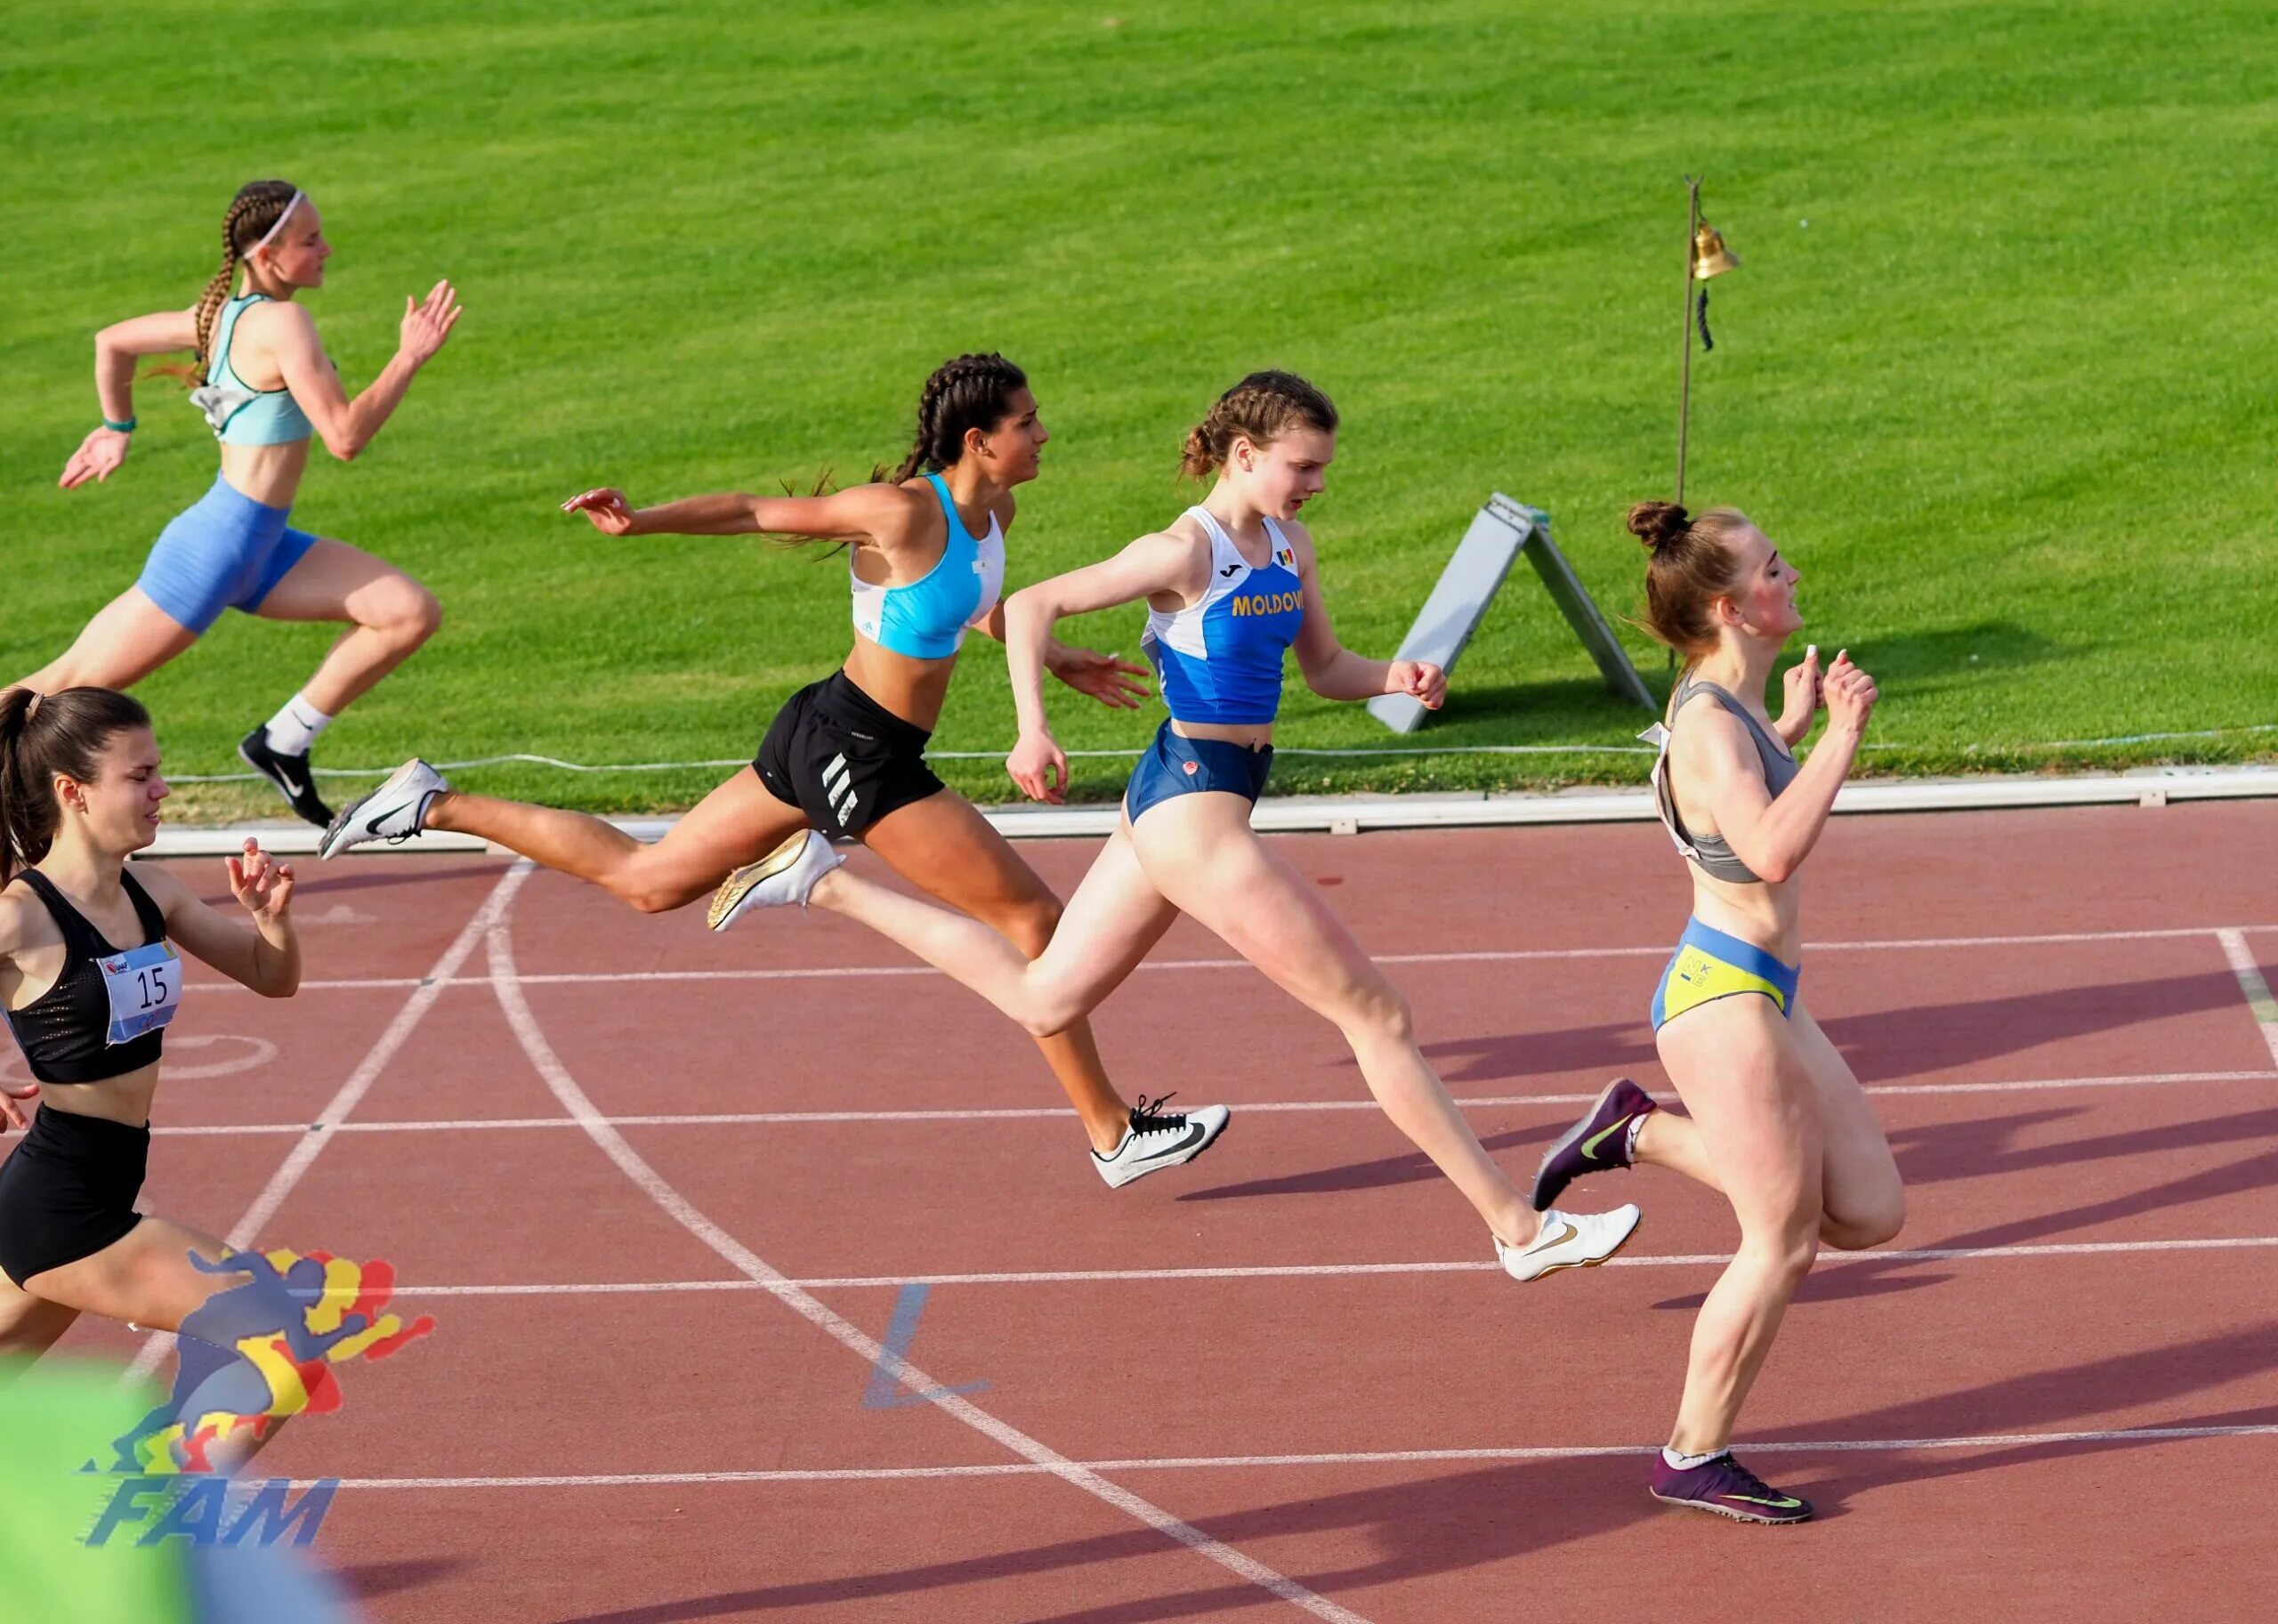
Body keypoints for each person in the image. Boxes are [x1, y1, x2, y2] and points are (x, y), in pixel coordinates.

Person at [710, 370, 1642, 1280]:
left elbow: (1322, 669)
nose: (1316, 485)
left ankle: (821, 880)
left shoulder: (1289, 548)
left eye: (1321, 469)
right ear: (1243, 454)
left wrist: (1393, 674)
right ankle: (1520, 1230)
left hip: (1174, 797)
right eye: (1301, 467)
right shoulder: (1183, 551)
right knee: (1379, 1015)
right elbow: (1034, 605)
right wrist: (1031, 731)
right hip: (1195, 812)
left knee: (1047, 1000)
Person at [320, 354, 1224, 1186]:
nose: (1044, 434)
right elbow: (755, 510)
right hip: (857, 753)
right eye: (1029, 421)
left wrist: (1056, 656)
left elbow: (953, 609)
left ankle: (432, 803)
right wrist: (639, 521)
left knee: (646, 881)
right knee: (1035, 921)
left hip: (830, 732)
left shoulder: (996, 514)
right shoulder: (902, 511)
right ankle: (1111, 1134)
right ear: (980, 440)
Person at [1527, 501, 1906, 1523]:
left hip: (1765, 993)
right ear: (1733, 608)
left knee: (1868, 1210)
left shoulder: (1726, 707)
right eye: (1773, 571)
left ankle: (1633, 1131)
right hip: (1723, 997)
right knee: (1779, 1239)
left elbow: (1733, 805)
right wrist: (1841, 735)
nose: (1792, 576)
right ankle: (1693, 1455)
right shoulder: (1703, 724)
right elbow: (1772, 850)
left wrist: (1785, 729)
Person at [20, 181, 461, 826]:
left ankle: (282, 744)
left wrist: (119, 428)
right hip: (214, 551)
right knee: (64, 684)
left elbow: (112, 341)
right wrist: (408, 357)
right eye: (311, 241)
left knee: (407, 612)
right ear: (268, 252)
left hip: (265, 546)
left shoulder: (216, 316)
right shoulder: (283, 323)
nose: (326, 250)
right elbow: (344, 437)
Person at [0, 686, 308, 1469]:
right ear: (74, 792)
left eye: (157, 771)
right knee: (279, 1339)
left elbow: (271, 979)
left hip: (93, 1185)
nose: (162, 789)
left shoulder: (154, 894)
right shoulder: (22, 916)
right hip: (65, 1207)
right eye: (140, 776)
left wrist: (270, 919)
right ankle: (160, 1548)